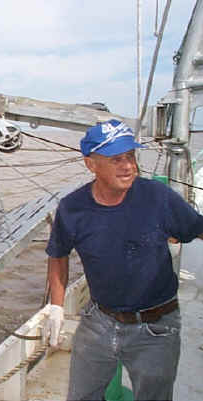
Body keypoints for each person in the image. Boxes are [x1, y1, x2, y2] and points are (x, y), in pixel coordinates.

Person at [44, 119, 203, 401]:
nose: (128, 166)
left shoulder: (158, 197)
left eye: (130, 156)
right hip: (99, 320)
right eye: (116, 159)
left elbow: (198, 229)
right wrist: (56, 307)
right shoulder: (71, 208)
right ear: (91, 164)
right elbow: (58, 254)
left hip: (156, 327)